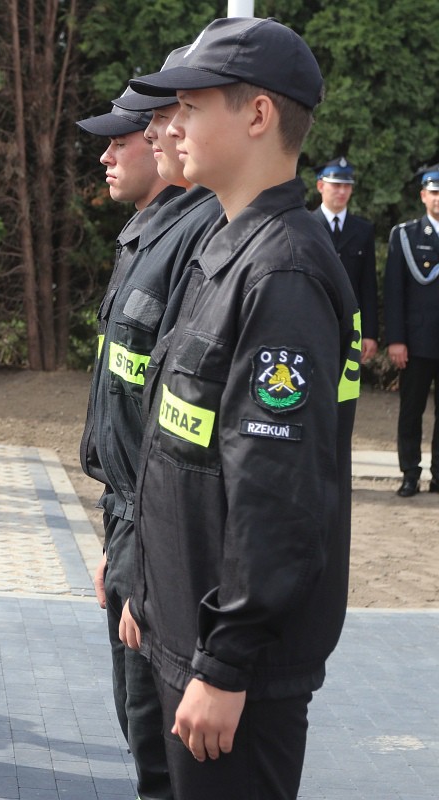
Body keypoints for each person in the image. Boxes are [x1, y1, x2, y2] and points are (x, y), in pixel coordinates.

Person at [120, 17, 361, 799]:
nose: (170, 125)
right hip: (183, 637)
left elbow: (277, 495)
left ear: (258, 115)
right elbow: (177, 451)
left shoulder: (282, 273)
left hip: (231, 673)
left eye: (190, 105)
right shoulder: (227, 248)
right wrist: (149, 599)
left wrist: (226, 665)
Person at [76, 80, 181, 800]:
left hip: (158, 535)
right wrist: (116, 543)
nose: (107, 156)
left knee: (158, 742)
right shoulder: (146, 233)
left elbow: (177, 435)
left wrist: (142, 556)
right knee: (139, 727)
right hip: (129, 523)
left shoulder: (189, 241)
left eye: (121, 139)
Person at [383, 167, 439, 497]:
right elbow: (394, 292)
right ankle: (410, 473)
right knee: (411, 412)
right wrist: (397, 339)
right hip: (416, 343)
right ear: (423, 196)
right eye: (434, 192)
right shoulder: (406, 235)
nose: (438, 198)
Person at [314, 157, 378, 363]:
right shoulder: (306, 225)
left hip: (351, 325)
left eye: (347, 186)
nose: (342, 192)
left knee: (346, 392)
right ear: (321, 186)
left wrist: (369, 333)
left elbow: (368, 286)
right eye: (336, 185)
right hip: (313, 320)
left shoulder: (363, 230)